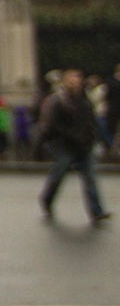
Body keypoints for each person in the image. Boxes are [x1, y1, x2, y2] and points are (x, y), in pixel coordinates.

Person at [37, 67, 109, 225]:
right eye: (72, 79)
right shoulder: (57, 100)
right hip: (65, 145)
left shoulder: (84, 100)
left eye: (77, 79)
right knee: (58, 175)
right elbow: (51, 125)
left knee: (90, 178)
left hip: (85, 145)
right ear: (64, 81)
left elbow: (91, 121)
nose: (75, 82)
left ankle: (96, 212)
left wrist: (94, 138)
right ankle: (47, 200)